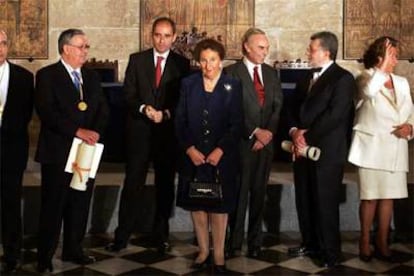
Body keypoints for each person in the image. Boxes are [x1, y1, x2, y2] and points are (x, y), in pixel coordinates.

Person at [105, 17, 190, 253]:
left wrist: (165, 114)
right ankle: (121, 236)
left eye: (166, 35)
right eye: (157, 35)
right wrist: (144, 109)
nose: (161, 40)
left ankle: (160, 235)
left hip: (167, 134)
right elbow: (128, 94)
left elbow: (184, 100)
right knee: (133, 184)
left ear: (174, 37)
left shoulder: (182, 65)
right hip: (139, 132)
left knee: (165, 185)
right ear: (151, 36)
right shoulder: (137, 60)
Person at [35, 28, 108, 272]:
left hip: (86, 151)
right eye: (81, 46)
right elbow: (47, 112)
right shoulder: (47, 75)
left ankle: (73, 249)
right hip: (58, 152)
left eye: (87, 47)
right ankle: (44, 257)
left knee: (79, 202)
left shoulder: (92, 77)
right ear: (66, 49)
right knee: (54, 205)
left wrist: (95, 132)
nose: (85, 51)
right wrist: (78, 131)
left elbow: (102, 109)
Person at [287, 31, 356, 268]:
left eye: (312, 49)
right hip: (302, 149)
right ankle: (310, 244)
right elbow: (292, 108)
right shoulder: (305, 77)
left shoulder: (344, 78)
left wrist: (306, 137)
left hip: (327, 152)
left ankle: (330, 253)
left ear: (327, 52)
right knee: (304, 199)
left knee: (325, 203)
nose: (308, 52)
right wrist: (294, 131)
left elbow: (335, 116)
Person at [175, 38, 242, 273]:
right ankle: (203, 251)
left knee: (219, 207)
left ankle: (220, 254)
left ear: (220, 61)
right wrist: (190, 149)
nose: (208, 65)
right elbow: (179, 121)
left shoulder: (232, 85)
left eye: (212, 60)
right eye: (203, 60)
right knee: (198, 205)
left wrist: (219, 150)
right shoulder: (188, 84)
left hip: (221, 158)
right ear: (198, 62)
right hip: (193, 156)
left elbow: (236, 124)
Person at [348, 37, 413, 262]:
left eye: (395, 55)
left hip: (395, 149)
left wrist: (410, 127)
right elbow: (368, 93)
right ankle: (364, 240)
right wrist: (382, 68)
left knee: (389, 198)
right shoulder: (364, 78)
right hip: (371, 149)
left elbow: (410, 111)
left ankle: (383, 241)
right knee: (371, 198)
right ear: (380, 56)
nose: (396, 59)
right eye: (392, 55)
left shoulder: (402, 82)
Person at [225, 27, 283, 258]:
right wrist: (255, 131)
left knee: (259, 194)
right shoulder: (231, 72)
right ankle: (234, 242)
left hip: (265, 146)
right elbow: (231, 109)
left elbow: (277, 106)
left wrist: (267, 133)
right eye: (260, 48)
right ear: (246, 47)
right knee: (239, 195)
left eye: (267, 48)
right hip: (241, 144)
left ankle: (255, 241)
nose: (265, 52)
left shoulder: (271, 73)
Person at [0, 30, 34, 273]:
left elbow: (26, 115)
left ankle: (12, 252)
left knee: (11, 204)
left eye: (2, 43)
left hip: (12, 152)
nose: (0, 48)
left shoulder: (23, 77)